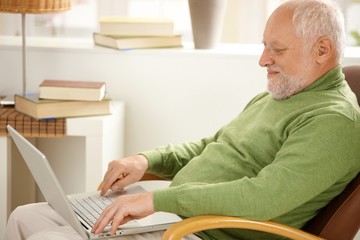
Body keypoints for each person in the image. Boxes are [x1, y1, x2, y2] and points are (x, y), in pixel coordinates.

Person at [5, 0, 360, 239]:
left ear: (322, 50)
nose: (263, 60)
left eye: (277, 49)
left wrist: (156, 202)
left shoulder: (333, 120)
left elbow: (264, 197)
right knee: (24, 216)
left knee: (47, 237)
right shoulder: (283, 93)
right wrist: (145, 161)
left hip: (201, 232)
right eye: (264, 45)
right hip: (175, 220)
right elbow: (212, 146)